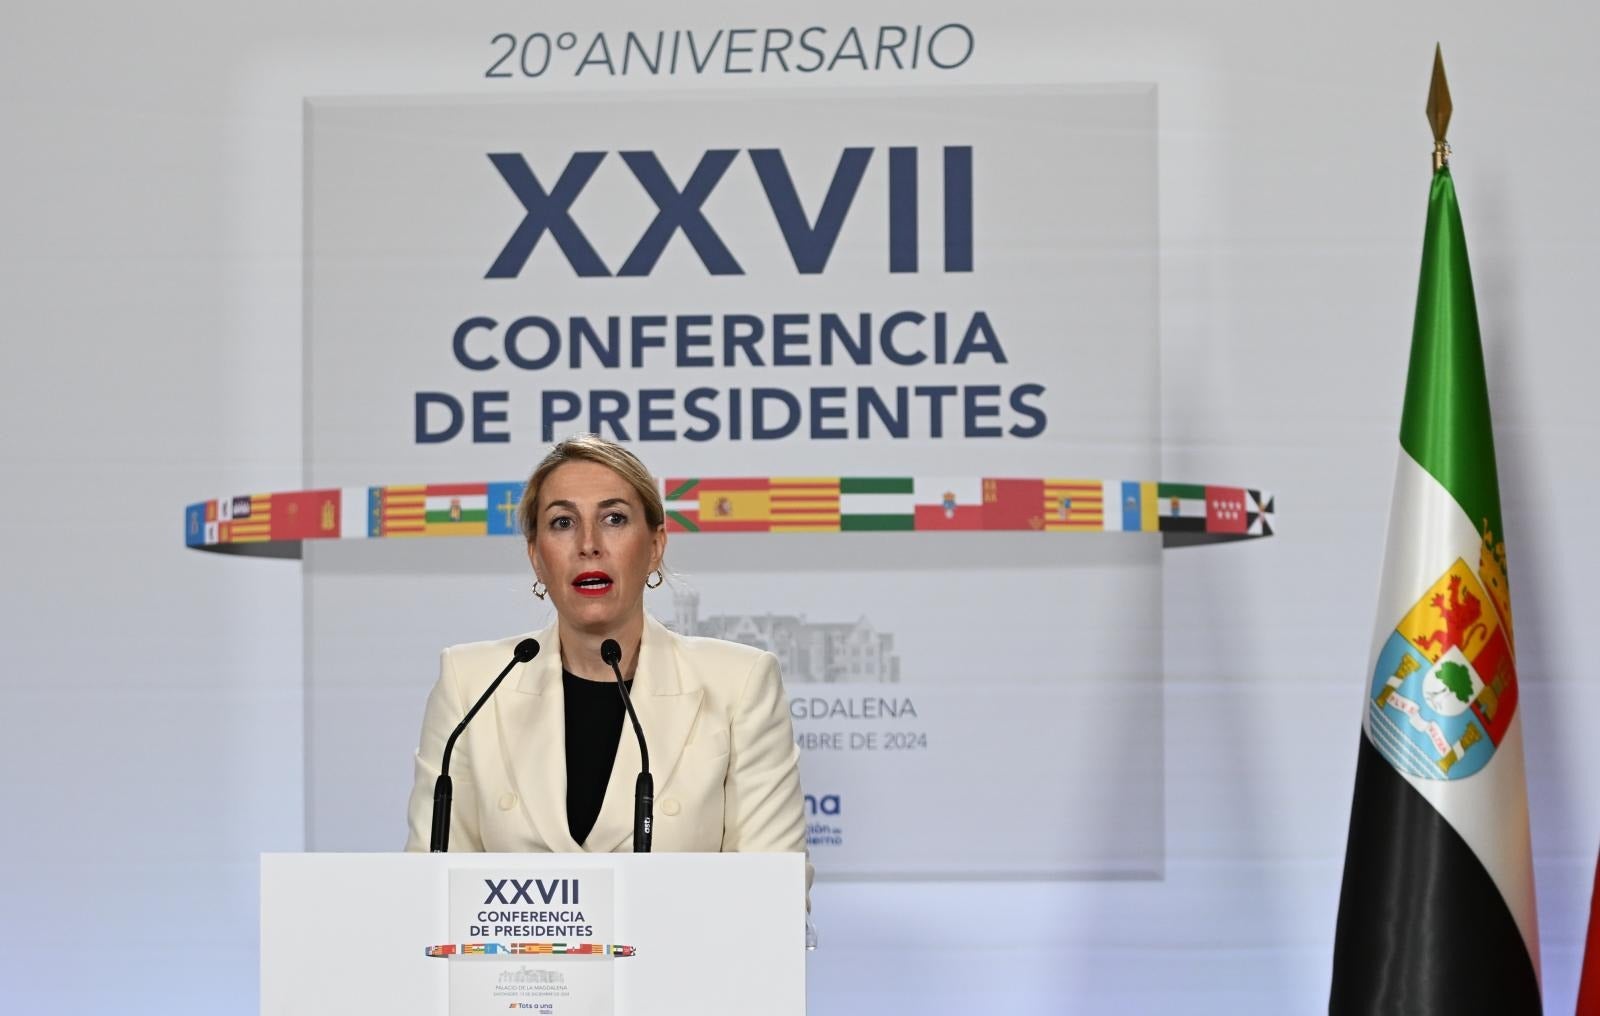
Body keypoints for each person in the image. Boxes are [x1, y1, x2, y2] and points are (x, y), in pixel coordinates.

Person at [404, 435, 808, 871]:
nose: (589, 544)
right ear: (537, 557)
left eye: (614, 518)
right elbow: (431, 890)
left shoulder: (739, 683)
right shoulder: (472, 683)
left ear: (654, 547)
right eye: (562, 523)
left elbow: (772, 891)